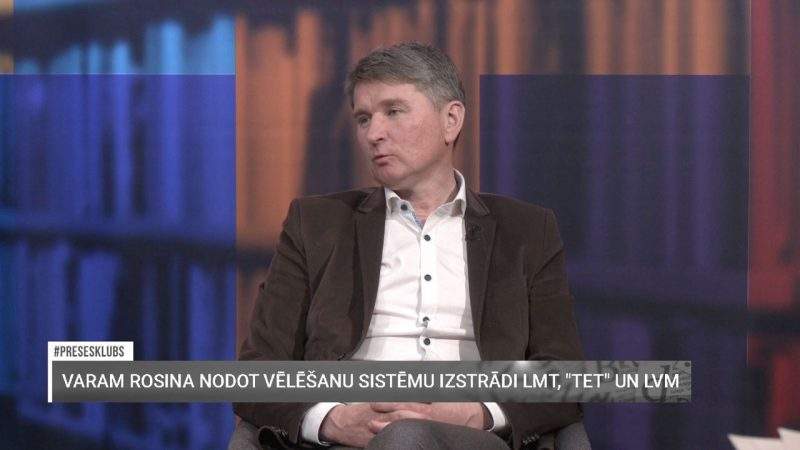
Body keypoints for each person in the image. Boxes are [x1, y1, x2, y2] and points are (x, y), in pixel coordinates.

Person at [234, 42, 584, 450]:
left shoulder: (526, 230)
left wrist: (477, 413)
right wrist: (332, 421)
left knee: (407, 437)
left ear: (451, 120)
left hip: (469, 438)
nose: (373, 134)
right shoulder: (315, 224)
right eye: (363, 118)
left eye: (394, 111)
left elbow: (563, 375)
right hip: (344, 436)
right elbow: (258, 369)